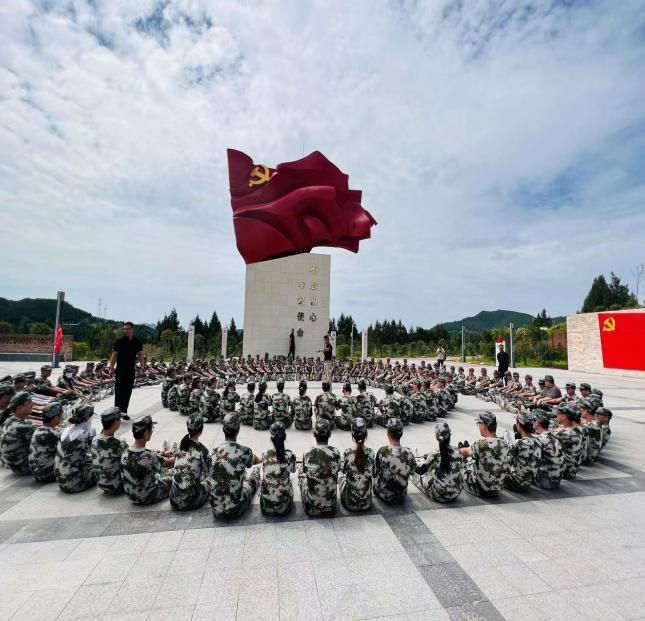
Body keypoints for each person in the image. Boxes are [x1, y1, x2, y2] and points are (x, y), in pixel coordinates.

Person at [208, 413, 261, 519]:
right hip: (236, 508)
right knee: (252, 479)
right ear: (238, 430)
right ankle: (256, 472)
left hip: (216, 509)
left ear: (223, 429)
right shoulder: (245, 451)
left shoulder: (214, 450)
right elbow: (258, 460)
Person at [122, 415, 175, 504]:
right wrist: (177, 457)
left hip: (131, 495)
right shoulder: (149, 456)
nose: (152, 431)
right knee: (173, 473)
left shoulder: (125, 453)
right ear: (146, 432)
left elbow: (143, 456)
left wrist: (160, 454)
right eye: (152, 428)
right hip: (147, 496)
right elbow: (169, 462)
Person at [460, 412, 509, 497]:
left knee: (457, 468)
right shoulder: (505, 444)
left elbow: (464, 452)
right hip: (496, 489)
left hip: (481, 489)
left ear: (484, 425)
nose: (479, 426)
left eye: (479, 424)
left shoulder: (481, 444)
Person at [299, 418, 340, 516]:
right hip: (331, 508)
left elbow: (305, 472)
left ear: (314, 434)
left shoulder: (308, 453)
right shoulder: (336, 452)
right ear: (329, 434)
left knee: (302, 474)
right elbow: (338, 470)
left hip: (311, 509)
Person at [413, 422, 463, 503]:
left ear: (437, 437)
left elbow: (421, 471)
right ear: (449, 434)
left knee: (420, 476)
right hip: (455, 494)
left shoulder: (436, 453)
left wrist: (413, 462)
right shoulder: (458, 451)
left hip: (439, 495)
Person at [170, 414, 211, 511]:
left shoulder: (182, 443)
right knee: (209, 481)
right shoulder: (203, 451)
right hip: (191, 501)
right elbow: (209, 473)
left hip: (174, 500)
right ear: (201, 431)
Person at [54, 404, 97, 493]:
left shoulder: (66, 431)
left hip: (60, 481)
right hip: (74, 484)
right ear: (87, 418)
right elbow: (96, 456)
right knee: (104, 467)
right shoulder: (85, 434)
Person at [373, 417, 417, 504]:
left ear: (388, 433)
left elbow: (375, 472)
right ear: (401, 434)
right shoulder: (408, 452)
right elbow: (412, 472)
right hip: (401, 496)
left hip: (384, 495)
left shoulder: (382, 451)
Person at [108, 322, 144, 420]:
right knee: (119, 392)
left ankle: (124, 412)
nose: (125, 331)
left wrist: (142, 367)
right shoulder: (119, 341)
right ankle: (116, 413)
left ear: (132, 329)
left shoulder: (137, 342)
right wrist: (111, 368)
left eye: (127, 329)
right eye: (124, 329)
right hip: (120, 370)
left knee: (127, 392)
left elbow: (141, 354)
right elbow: (114, 356)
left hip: (130, 371)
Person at [260, 421, 296, 516]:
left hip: (266, 508)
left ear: (271, 438)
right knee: (290, 483)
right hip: (284, 509)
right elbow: (293, 470)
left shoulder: (265, 454)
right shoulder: (290, 455)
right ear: (284, 437)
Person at [339, 417, 375, 511]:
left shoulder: (348, 453)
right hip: (367, 503)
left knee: (340, 476)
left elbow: (343, 471)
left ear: (352, 434)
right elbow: (374, 474)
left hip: (350, 503)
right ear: (366, 434)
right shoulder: (371, 453)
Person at [92, 406, 128, 495]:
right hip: (116, 486)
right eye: (119, 419)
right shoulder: (119, 443)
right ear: (116, 422)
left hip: (101, 483)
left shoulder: (95, 439)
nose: (121, 421)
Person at [504, 412, 542, 492]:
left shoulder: (519, 443)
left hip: (515, 484)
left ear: (519, 425)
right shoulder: (538, 442)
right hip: (528, 483)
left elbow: (504, 455)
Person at [0, 392, 36, 474]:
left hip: (11, 465)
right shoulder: (24, 427)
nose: (32, 404)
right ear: (20, 408)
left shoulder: (8, 420)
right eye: (29, 402)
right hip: (23, 467)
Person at [29, 402, 63, 483]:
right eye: (61, 415)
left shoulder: (37, 430)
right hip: (47, 474)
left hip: (36, 472)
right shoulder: (53, 433)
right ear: (56, 418)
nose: (63, 417)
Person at [533, 409, 564, 490]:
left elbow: (533, 461)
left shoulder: (539, 440)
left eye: (533, 420)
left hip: (546, 482)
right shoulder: (554, 436)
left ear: (537, 423)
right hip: (557, 480)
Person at [555, 404, 584, 480]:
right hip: (573, 469)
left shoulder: (565, 434)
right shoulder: (577, 429)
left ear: (564, 417)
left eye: (558, 413)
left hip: (566, 472)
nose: (556, 415)